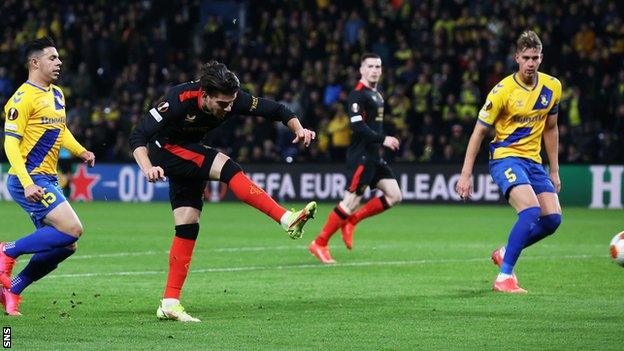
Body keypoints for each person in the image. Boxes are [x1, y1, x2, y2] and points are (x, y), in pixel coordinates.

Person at [129, 61, 317, 322]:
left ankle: (170, 302)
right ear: (204, 96)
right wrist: (148, 167)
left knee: (187, 224)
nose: (228, 109)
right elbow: (138, 136)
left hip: (190, 150)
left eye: (231, 103)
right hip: (166, 150)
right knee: (228, 167)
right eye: (222, 104)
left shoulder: (234, 98)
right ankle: (285, 218)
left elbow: (276, 110)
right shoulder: (177, 99)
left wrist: (298, 128)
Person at [455, 31, 562, 293]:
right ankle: (504, 278)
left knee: (552, 219)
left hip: (533, 162)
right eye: (526, 57)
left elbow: (551, 128)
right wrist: (466, 174)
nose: (531, 63)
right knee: (530, 211)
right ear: (516, 58)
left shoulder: (552, 87)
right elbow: (479, 132)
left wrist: (554, 170)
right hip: (505, 158)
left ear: (541, 57)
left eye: (535, 58)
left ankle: (505, 252)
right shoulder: (502, 91)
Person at [0, 37, 96, 315]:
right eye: (52, 58)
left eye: (58, 58)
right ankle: (7, 250)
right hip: (27, 179)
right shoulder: (22, 98)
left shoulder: (56, 94)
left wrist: (81, 151)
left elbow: (60, 130)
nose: (59, 62)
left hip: (47, 179)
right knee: (73, 228)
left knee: (67, 244)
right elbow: (10, 144)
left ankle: (13, 289)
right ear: (35, 62)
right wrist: (28, 183)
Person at [308, 53, 402, 264]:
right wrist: (383, 138)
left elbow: (373, 126)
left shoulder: (377, 95)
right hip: (361, 156)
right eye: (370, 66)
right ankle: (320, 243)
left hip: (374, 156)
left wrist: (381, 141)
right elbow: (358, 127)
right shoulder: (357, 95)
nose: (375, 70)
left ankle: (352, 221)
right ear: (361, 70)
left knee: (395, 195)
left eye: (378, 66)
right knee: (350, 201)